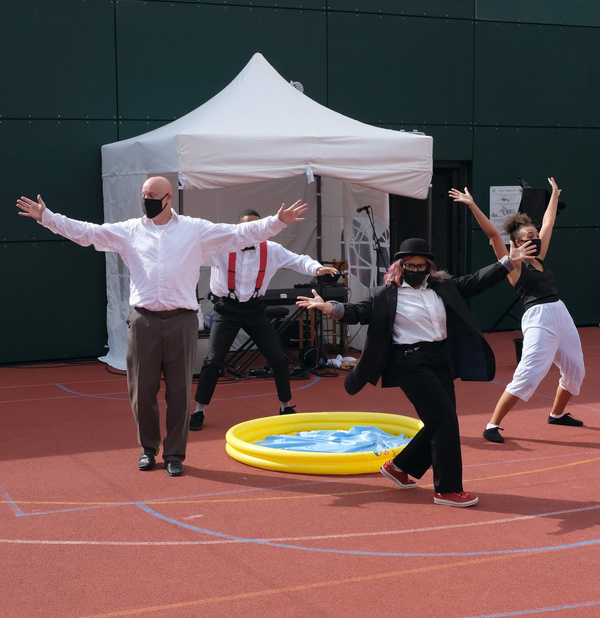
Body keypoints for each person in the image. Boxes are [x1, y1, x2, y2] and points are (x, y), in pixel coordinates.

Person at [16, 176, 308, 476]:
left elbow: (238, 233)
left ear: (168, 198)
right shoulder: (129, 231)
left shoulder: (194, 229)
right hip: (143, 320)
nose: (146, 199)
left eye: (152, 194)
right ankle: (147, 449)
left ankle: (175, 455)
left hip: (181, 320)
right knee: (142, 390)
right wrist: (48, 218)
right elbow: (89, 233)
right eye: (143, 194)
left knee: (179, 392)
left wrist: (277, 222)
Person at [297, 237, 531, 507]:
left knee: (439, 421)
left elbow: (477, 280)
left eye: (421, 266)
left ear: (429, 267)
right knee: (445, 421)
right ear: (400, 266)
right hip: (409, 362)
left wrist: (508, 263)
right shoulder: (385, 294)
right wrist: (332, 308)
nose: (416, 270)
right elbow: (358, 311)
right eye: (410, 265)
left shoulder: (443, 287)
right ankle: (447, 489)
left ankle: (399, 467)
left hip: (440, 359)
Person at [449, 178, 585, 443]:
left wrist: (555, 195)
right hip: (539, 318)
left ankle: (557, 415)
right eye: (528, 237)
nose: (534, 239)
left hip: (560, 311)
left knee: (576, 371)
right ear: (516, 242)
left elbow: (548, 223)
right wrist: (472, 204)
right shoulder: (513, 264)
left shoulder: (540, 257)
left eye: (535, 236)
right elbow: (492, 234)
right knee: (529, 374)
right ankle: (492, 425)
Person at [190, 208, 338, 430]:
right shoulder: (222, 248)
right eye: (248, 227)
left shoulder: (272, 250)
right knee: (214, 360)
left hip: (255, 309)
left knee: (278, 358)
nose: (253, 232)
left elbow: (298, 260)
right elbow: (192, 254)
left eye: (258, 227)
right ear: (238, 229)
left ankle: (285, 406)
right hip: (227, 309)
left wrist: (317, 268)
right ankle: (199, 410)